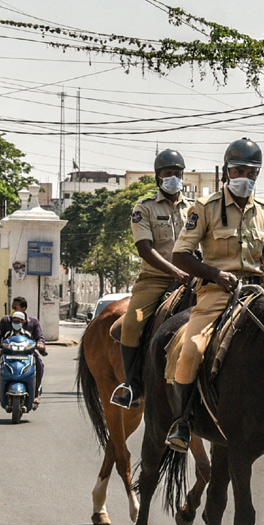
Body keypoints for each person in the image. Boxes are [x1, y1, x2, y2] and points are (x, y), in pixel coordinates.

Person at [167, 137, 264, 451]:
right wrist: (216, 274)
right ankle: (182, 421)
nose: (245, 178)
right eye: (239, 171)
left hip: (259, 293)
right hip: (217, 294)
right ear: (226, 172)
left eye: (252, 172)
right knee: (191, 349)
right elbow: (181, 255)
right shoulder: (204, 208)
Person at [110, 149, 194, 409]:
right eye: (167, 173)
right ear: (158, 178)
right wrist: (174, 271)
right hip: (155, 279)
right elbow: (145, 247)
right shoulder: (144, 207)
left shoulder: (195, 208)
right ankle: (132, 385)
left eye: (177, 173)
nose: (173, 178)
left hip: (193, 277)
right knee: (133, 323)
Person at [0, 298, 47, 406]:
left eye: (15, 308)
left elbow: (40, 337)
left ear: (24, 309)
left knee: (39, 365)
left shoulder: (33, 322)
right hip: (8, 353)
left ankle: (35, 394)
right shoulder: (5, 320)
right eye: (12, 307)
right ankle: (0, 389)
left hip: (28, 353)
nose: (12, 310)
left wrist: (40, 344)